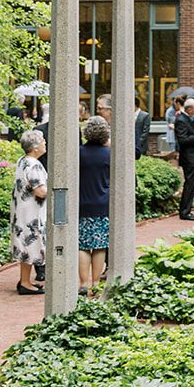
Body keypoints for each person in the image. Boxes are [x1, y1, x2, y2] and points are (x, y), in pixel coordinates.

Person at [12, 130, 47, 295]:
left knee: (25, 244)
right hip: (32, 212)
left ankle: (25, 280)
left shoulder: (22, 161)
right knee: (30, 244)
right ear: (35, 147)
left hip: (22, 210)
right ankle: (25, 283)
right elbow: (40, 191)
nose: (45, 143)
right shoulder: (34, 165)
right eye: (42, 141)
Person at [78, 115, 111, 292]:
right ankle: (96, 284)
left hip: (82, 203)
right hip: (102, 203)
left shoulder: (78, 153)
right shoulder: (108, 154)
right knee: (99, 246)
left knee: (82, 245)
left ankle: (83, 284)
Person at [175, 98, 194, 220]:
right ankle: (185, 212)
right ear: (190, 109)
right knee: (190, 185)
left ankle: (187, 210)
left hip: (193, 157)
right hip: (189, 158)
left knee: (191, 185)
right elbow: (182, 140)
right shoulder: (181, 120)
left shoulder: (187, 119)